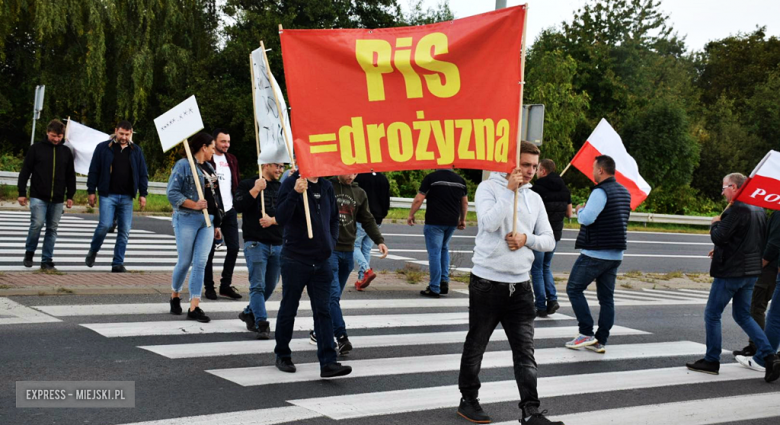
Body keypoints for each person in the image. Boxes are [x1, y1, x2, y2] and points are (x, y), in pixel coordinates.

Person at [457, 141, 559, 425]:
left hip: (521, 287)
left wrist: (527, 239)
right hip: (487, 283)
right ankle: (468, 400)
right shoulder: (489, 188)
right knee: (476, 345)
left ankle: (530, 410)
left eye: (533, 166)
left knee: (525, 352)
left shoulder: (534, 199)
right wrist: (508, 190)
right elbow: (488, 224)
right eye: (524, 165)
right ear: (510, 164)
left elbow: (549, 240)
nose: (529, 171)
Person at [686, 173, 780, 382]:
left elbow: (720, 236)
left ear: (735, 187)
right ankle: (770, 356)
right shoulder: (758, 208)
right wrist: (720, 249)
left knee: (712, 314)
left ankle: (711, 360)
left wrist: (715, 223)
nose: (723, 192)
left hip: (731, 272)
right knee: (743, 315)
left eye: (724, 187)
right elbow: (749, 239)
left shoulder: (737, 208)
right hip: (751, 272)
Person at [273, 169, 352, 378]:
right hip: (295, 258)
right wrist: (295, 193)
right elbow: (280, 217)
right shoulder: (291, 183)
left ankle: (328, 362)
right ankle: (282, 354)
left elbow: (334, 218)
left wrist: (331, 242)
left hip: (322, 260)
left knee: (323, 310)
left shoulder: (326, 186)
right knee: (289, 307)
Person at [310, 173, 389, 355]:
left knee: (334, 298)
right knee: (332, 294)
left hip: (348, 250)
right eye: (349, 171)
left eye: (355, 172)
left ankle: (318, 330)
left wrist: (379, 240)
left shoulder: (359, 192)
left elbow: (367, 219)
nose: (351, 176)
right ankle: (342, 337)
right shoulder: (326, 186)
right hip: (329, 249)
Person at [564, 155, 631, 354]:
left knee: (573, 289)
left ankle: (586, 332)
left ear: (601, 170)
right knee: (606, 298)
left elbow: (587, 219)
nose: (592, 171)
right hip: (615, 254)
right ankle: (601, 340)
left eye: (594, 168)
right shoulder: (624, 192)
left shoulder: (600, 191)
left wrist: (580, 210)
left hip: (596, 252)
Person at [166, 132, 225, 323]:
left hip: (207, 221)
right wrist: (194, 204)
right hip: (186, 219)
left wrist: (217, 224)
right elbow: (172, 193)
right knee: (185, 261)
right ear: (203, 147)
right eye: (212, 147)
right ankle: (175, 294)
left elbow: (215, 198)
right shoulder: (184, 165)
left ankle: (194, 305)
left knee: (200, 262)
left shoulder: (209, 167)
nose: (214, 151)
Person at [85, 120, 149, 273]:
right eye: (121, 134)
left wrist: (143, 194)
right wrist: (91, 191)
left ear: (131, 134)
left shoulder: (136, 150)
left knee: (124, 230)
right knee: (105, 225)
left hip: (127, 197)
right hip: (108, 194)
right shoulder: (103, 148)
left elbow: (142, 173)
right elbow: (94, 169)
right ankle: (93, 250)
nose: (124, 137)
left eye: (127, 134)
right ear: (116, 131)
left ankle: (117, 263)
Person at [18, 119, 76, 271]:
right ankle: (29, 252)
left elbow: (70, 175)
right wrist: (22, 192)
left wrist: (70, 195)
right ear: (47, 133)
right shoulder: (36, 149)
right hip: (38, 195)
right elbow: (25, 171)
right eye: (53, 136)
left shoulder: (66, 152)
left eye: (59, 136)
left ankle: (47, 259)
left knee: (52, 229)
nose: (56, 139)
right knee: (37, 224)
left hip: (57, 198)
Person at [235, 163, 283, 339]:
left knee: (270, 285)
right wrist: (255, 190)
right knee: (258, 285)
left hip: (278, 242)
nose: (280, 170)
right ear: (266, 165)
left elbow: (290, 212)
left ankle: (249, 312)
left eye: (282, 167)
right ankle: (261, 323)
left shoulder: (283, 187)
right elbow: (238, 206)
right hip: (255, 242)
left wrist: (273, 221)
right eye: (277, 166)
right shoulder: (248, 184)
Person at [408, 169, 468, 297]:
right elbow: (465, 202)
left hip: (434, 221)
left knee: (434, 252)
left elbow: (419, 199)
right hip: (451, 222)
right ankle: (444, 281)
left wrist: (411, 214)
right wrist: (462, 219)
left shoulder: (432, 178)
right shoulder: (460, 180)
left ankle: (434, 287)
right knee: (444, 248)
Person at [733, 210, 779, 358]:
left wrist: (760, 264)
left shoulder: (778, 214)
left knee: (756, 307)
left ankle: (758, 348)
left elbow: (774, 243)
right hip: (772, 267)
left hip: (770, 268)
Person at [203, 128, 242, 300]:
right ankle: (209, 286)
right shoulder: (208, 158)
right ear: (215, 142)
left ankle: (225, 285)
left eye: (228, 141)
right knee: (209, 251)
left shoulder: (232, 159)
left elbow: (236, 182)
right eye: (223, 141)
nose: (226, 145)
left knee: (234, 247)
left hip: (229, 209)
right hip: (212, 210)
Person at [530, 159, 572, 317]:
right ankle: (552, 300)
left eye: (537, 168)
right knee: (546, 267)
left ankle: (540, 305)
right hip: (555, 235)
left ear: (543, 171)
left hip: (539, 235)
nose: (536, 172)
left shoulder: (537, 189)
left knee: (537, 269)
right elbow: (569, 214)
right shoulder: (565, 189)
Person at [353, 171, 391, 290]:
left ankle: (366, 270)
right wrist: (382, 214)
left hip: (361, 217)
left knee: (354, 245)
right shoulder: (383, 178)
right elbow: (386, 200)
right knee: (366, 249)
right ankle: (361, 279)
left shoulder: (359, 177)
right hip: (377, 217)